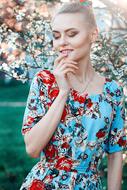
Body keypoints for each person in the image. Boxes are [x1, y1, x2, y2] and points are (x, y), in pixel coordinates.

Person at [20, 1, 126, 190]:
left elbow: (115, 153)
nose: (62, 42)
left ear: (93, 34)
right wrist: (63, 92)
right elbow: (32, 148)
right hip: (44, 184)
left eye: (72, 34)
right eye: (56, 35)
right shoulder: (44, 81)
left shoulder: (113, 92)